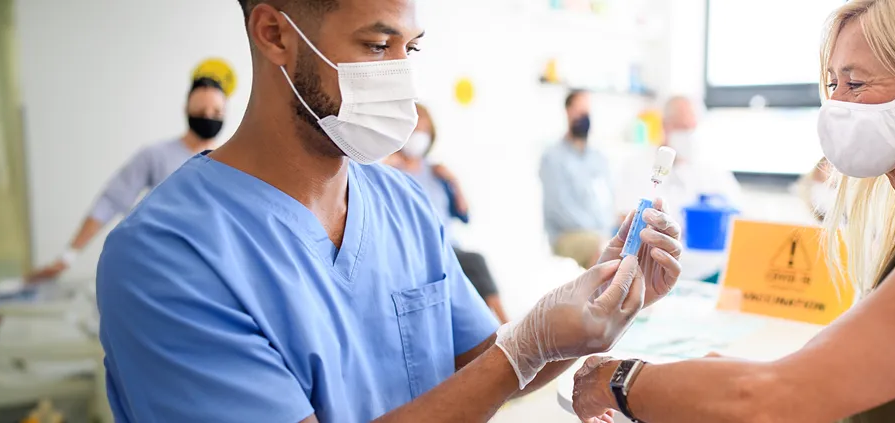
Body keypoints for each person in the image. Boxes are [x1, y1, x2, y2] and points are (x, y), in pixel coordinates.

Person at [96, 1, 683, 423]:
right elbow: (503, 365)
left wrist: (595, 304)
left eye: (411, 49)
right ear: (275, 32)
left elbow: (480, 370)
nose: (401, 76)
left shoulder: (399, 202)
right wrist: (522, 348)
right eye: (377, 47)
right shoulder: (164, 259)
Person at [573, 0, 895, 422]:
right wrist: (721, 380)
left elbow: (769, 399)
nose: (836, 107)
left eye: (856, 86)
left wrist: (620, 381)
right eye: (832, 85)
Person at [26, 77, 227, 282]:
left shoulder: (233, 163)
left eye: (216, 112)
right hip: (165, 269)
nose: (209, 117)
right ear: (186, 109)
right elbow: (111, 201)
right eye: (201, 111)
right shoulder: (156, 155)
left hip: (215, 271)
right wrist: (68, 257)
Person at [385, 103, 510, 323]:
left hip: (449, 247)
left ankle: (502, 328)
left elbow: (464, 215)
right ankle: (507, 329)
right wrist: (385, 166)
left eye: (424, 131)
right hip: (416, 249)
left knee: (470, 268)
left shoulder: (437, 172)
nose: (418, 136)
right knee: (474, 262)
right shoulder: (389, 172)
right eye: (414, 129)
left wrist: (454, 182)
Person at [614, 96, 742, 227]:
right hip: (652, 245)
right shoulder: (635, 165)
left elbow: (738, 212)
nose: (689, 135)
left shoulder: (711, 168)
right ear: (665, 125)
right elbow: (626, 218)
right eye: (683, 127)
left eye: (693, 128)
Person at [539, 89, 614, 269]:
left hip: (600, 234)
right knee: (605, 249)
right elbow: (559, 207)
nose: (584, 116)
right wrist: (597, 233)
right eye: (579, 111)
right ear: (568, 112)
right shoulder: (553, 157)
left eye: (587, 111)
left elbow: (608, 199)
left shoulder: (598, 158)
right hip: (566, 236)